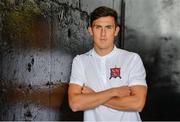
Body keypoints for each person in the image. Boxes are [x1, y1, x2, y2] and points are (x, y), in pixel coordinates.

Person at [68, 6, 147, 121]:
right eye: (98, 27)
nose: (103, 34)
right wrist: (113, 92)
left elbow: (137, 104)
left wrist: (93, 95)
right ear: (90, 30)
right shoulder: (80, 61)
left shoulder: (132, 59)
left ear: (116, 31)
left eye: (108, 27)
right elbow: (75, 104)